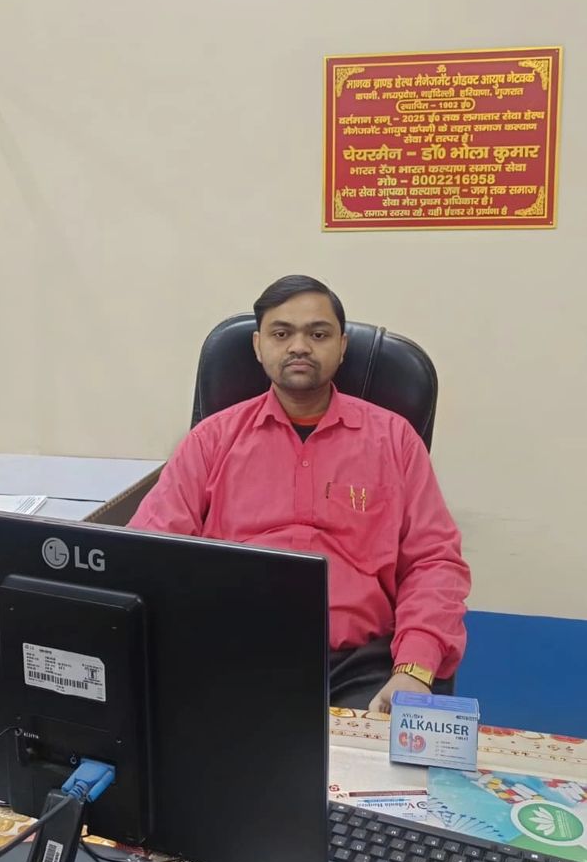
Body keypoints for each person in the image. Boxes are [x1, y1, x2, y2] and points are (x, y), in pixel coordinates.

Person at [129, 275, 470, 713]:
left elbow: (434, 560)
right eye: (281, 333)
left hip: (360, 665)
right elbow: (149, 551)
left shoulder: (394, 440)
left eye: (318, 333)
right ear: (257, 346)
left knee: (376, 774)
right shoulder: (211, 441)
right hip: (228, 654)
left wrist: (414, 668)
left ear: (343, 346)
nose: (299, 346)